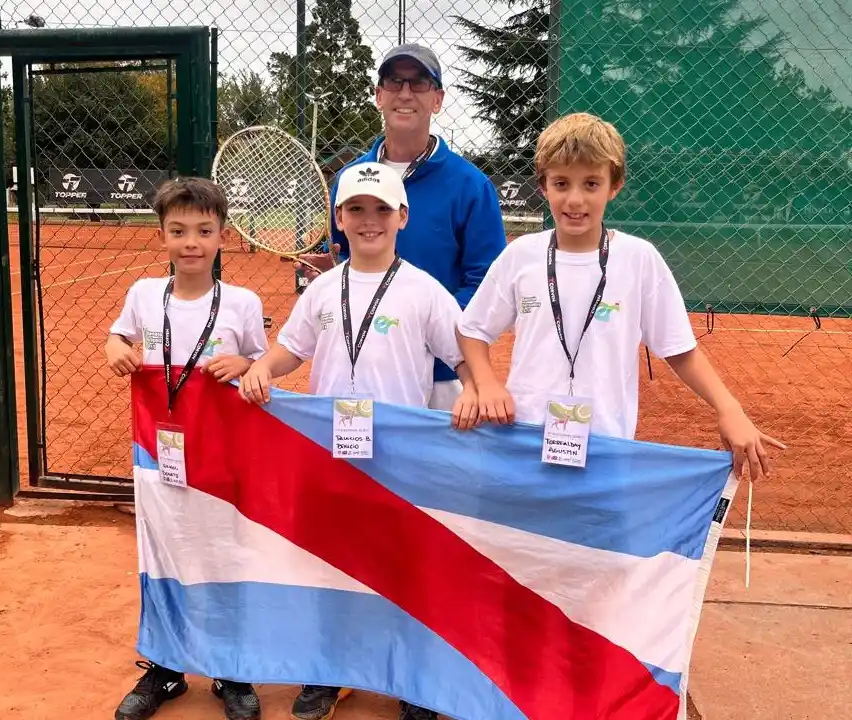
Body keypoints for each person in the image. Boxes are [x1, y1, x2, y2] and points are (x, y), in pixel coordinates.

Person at [240, 161, 479, 720]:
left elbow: (465, 357)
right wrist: (261, 369)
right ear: (339, 219)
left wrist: (472, 388)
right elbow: (291, 350)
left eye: (379, 210)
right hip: (331, 459)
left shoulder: (425, 292)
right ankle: (329, 671)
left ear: (402, 216)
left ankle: (414, 680)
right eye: (355, 210)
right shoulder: (324, 289)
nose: (368, 221)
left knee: (404, 569)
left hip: (400, 463)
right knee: (334, 565)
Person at [456, 112, 785, 478]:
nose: (575, 199)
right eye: (562, 183)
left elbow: (679, 350)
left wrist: (730, 409)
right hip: (522, 442)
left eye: (591, 184)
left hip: (606, 452)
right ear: (543, 186)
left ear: (615, 185)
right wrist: (484, 383)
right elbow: (473, 329)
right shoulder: (521, 255)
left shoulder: (639, 259)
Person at [105, 177, 269, 720]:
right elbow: (118, 337)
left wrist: (245, 365)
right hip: (158, 455)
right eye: (178, 231)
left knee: (223, 552)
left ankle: (230, 669)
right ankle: (166, 667)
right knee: (163, 551)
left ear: (223, 236)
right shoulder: (143, 294)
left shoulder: (241, 303)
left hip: (223, 457)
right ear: (162, 236)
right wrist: (116, 349)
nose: (191, 242)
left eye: (203, 230)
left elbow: (260, 364)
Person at [299, 42, 507, 414]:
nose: (405, 93)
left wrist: (418, 332)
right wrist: (332, 269)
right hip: (371, 367)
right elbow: (353, 260)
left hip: (443, 371)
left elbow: (484, 284)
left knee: (433, 471)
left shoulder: (471, 186)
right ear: (379, 96)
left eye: (420, 83)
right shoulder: (348, 180)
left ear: (438, 99)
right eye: (395, 82)